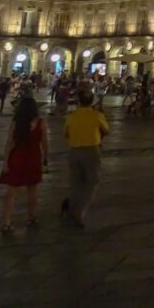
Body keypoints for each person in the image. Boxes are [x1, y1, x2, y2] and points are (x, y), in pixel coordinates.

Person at [0, 96, 48, 233]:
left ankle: (6, 222)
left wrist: (5, 162)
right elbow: (44, 142)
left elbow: (10, 143)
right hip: (33, 158)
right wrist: (45, 158)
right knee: (32, 190)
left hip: (17, 158)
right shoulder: (40, 123)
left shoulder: (16, 123)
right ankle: (32, 217)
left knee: (11, 193)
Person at [61, 88, 110, 227]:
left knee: (76, 183)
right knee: (92, 181)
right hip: (91, 151)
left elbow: (66, 132)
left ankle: (71, 209)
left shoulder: (72, 115)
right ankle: (80, 211)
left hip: (74, 151)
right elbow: (106, 130)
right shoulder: (97, 115)